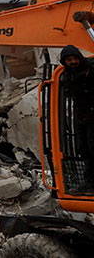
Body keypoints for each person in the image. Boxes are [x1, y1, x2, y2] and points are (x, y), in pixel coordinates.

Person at [60, 45, 94, 192]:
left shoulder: (90, 70)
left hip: (93, 116)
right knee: (83, 149)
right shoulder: (67, 74)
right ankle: (89, 182)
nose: (73, 61)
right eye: (69, 59)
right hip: (80, 116)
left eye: (75, 58)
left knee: (93, 148)